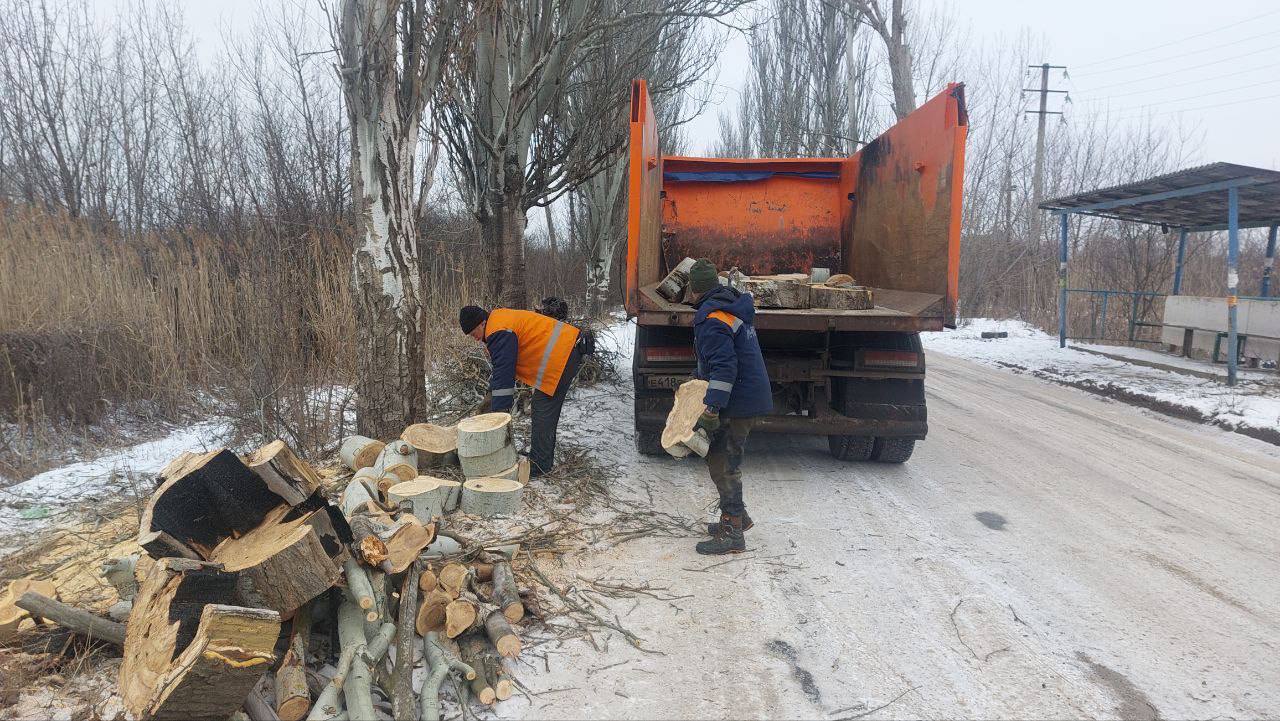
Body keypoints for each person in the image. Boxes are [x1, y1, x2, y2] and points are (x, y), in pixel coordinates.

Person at [687, 259, 774, 555]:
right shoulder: (730, 306)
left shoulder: (712, 318)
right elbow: (716, 361)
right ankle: (738, 517)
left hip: (739, 400)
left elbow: (724, 367)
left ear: (694, 288)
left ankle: (732, 532)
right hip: (746, 396)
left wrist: (711, 408)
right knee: (722, 460)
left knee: (724, 463)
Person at [459, 305, 585, 477]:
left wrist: (499, 414)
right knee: (542, 409)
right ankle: (539, 458)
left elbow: (505, 373)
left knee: (542, 410)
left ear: (482, 323)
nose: (475, 339)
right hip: (564, 351)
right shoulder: (498, 322)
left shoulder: (498, 331)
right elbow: (500, 370)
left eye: (474, 334)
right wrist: (490, 397)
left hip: (563, 355)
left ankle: (539, 465)